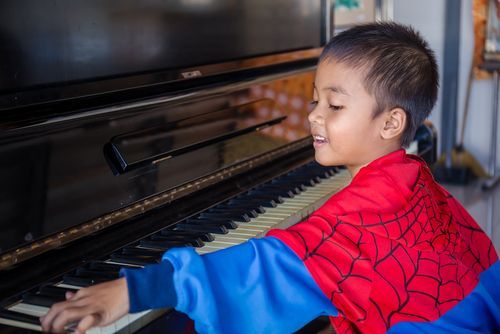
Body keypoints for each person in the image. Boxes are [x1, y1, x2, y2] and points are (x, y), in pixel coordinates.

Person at [41, 22, 499, 334]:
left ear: (391, 123)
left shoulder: (362, 213)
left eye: (334, 106)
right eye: (314, 99)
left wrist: (135, 289)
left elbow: (268, 266)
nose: (313, 115)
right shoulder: (413, 177)